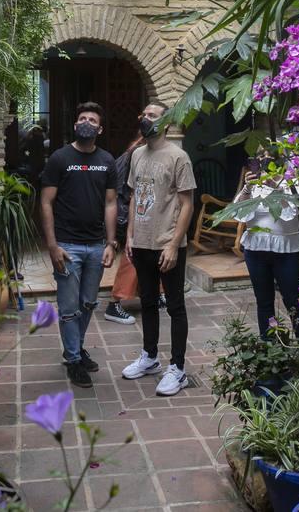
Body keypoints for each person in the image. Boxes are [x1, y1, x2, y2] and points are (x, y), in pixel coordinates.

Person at [40, 102, 118, 388]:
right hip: (67, 245)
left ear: (100, 128)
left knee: (88, 303)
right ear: (75, 125)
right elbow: (46, 203)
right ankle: (73, 360)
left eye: (92, 119)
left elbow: (111, 203)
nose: (87, 122)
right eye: (82, 118)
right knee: (69, 307)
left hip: (96, 245)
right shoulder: (60, 158)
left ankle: (76, 348)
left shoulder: (107, 161)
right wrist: (52, 245)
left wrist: (111, 242)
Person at [121, 102, 196, 396]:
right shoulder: (138, 154)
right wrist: (129, 236)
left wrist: (174, 245)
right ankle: (150, 357)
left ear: (165, 122)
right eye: (143, 114)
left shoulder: (179, 157)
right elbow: (133, 195)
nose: (145, 118)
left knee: (175, 306)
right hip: (141, 242)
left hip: (167, 243)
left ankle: (177, 369)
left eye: (152, 115)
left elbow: (187, 203)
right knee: (148, 302)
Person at [231, 146, 299, 343]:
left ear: (279, 160)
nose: (264, 160)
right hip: (256, 251)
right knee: (264, 301)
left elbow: (292, 214)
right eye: (260, 156)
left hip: (287, 250)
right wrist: (248, 188)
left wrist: (276, 188)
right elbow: (239, 213)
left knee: (292, 300)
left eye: (269, 156)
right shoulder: (252, 184)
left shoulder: (291, 182)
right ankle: (270, 348)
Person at [105, 136, 166, 325]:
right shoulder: (133, 156)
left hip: (145, 214)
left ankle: (155, 294)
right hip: (134, 216)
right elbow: (122, 192)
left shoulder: (141, 155)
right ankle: (114, 303)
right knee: (132, 257)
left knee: (150, 256)